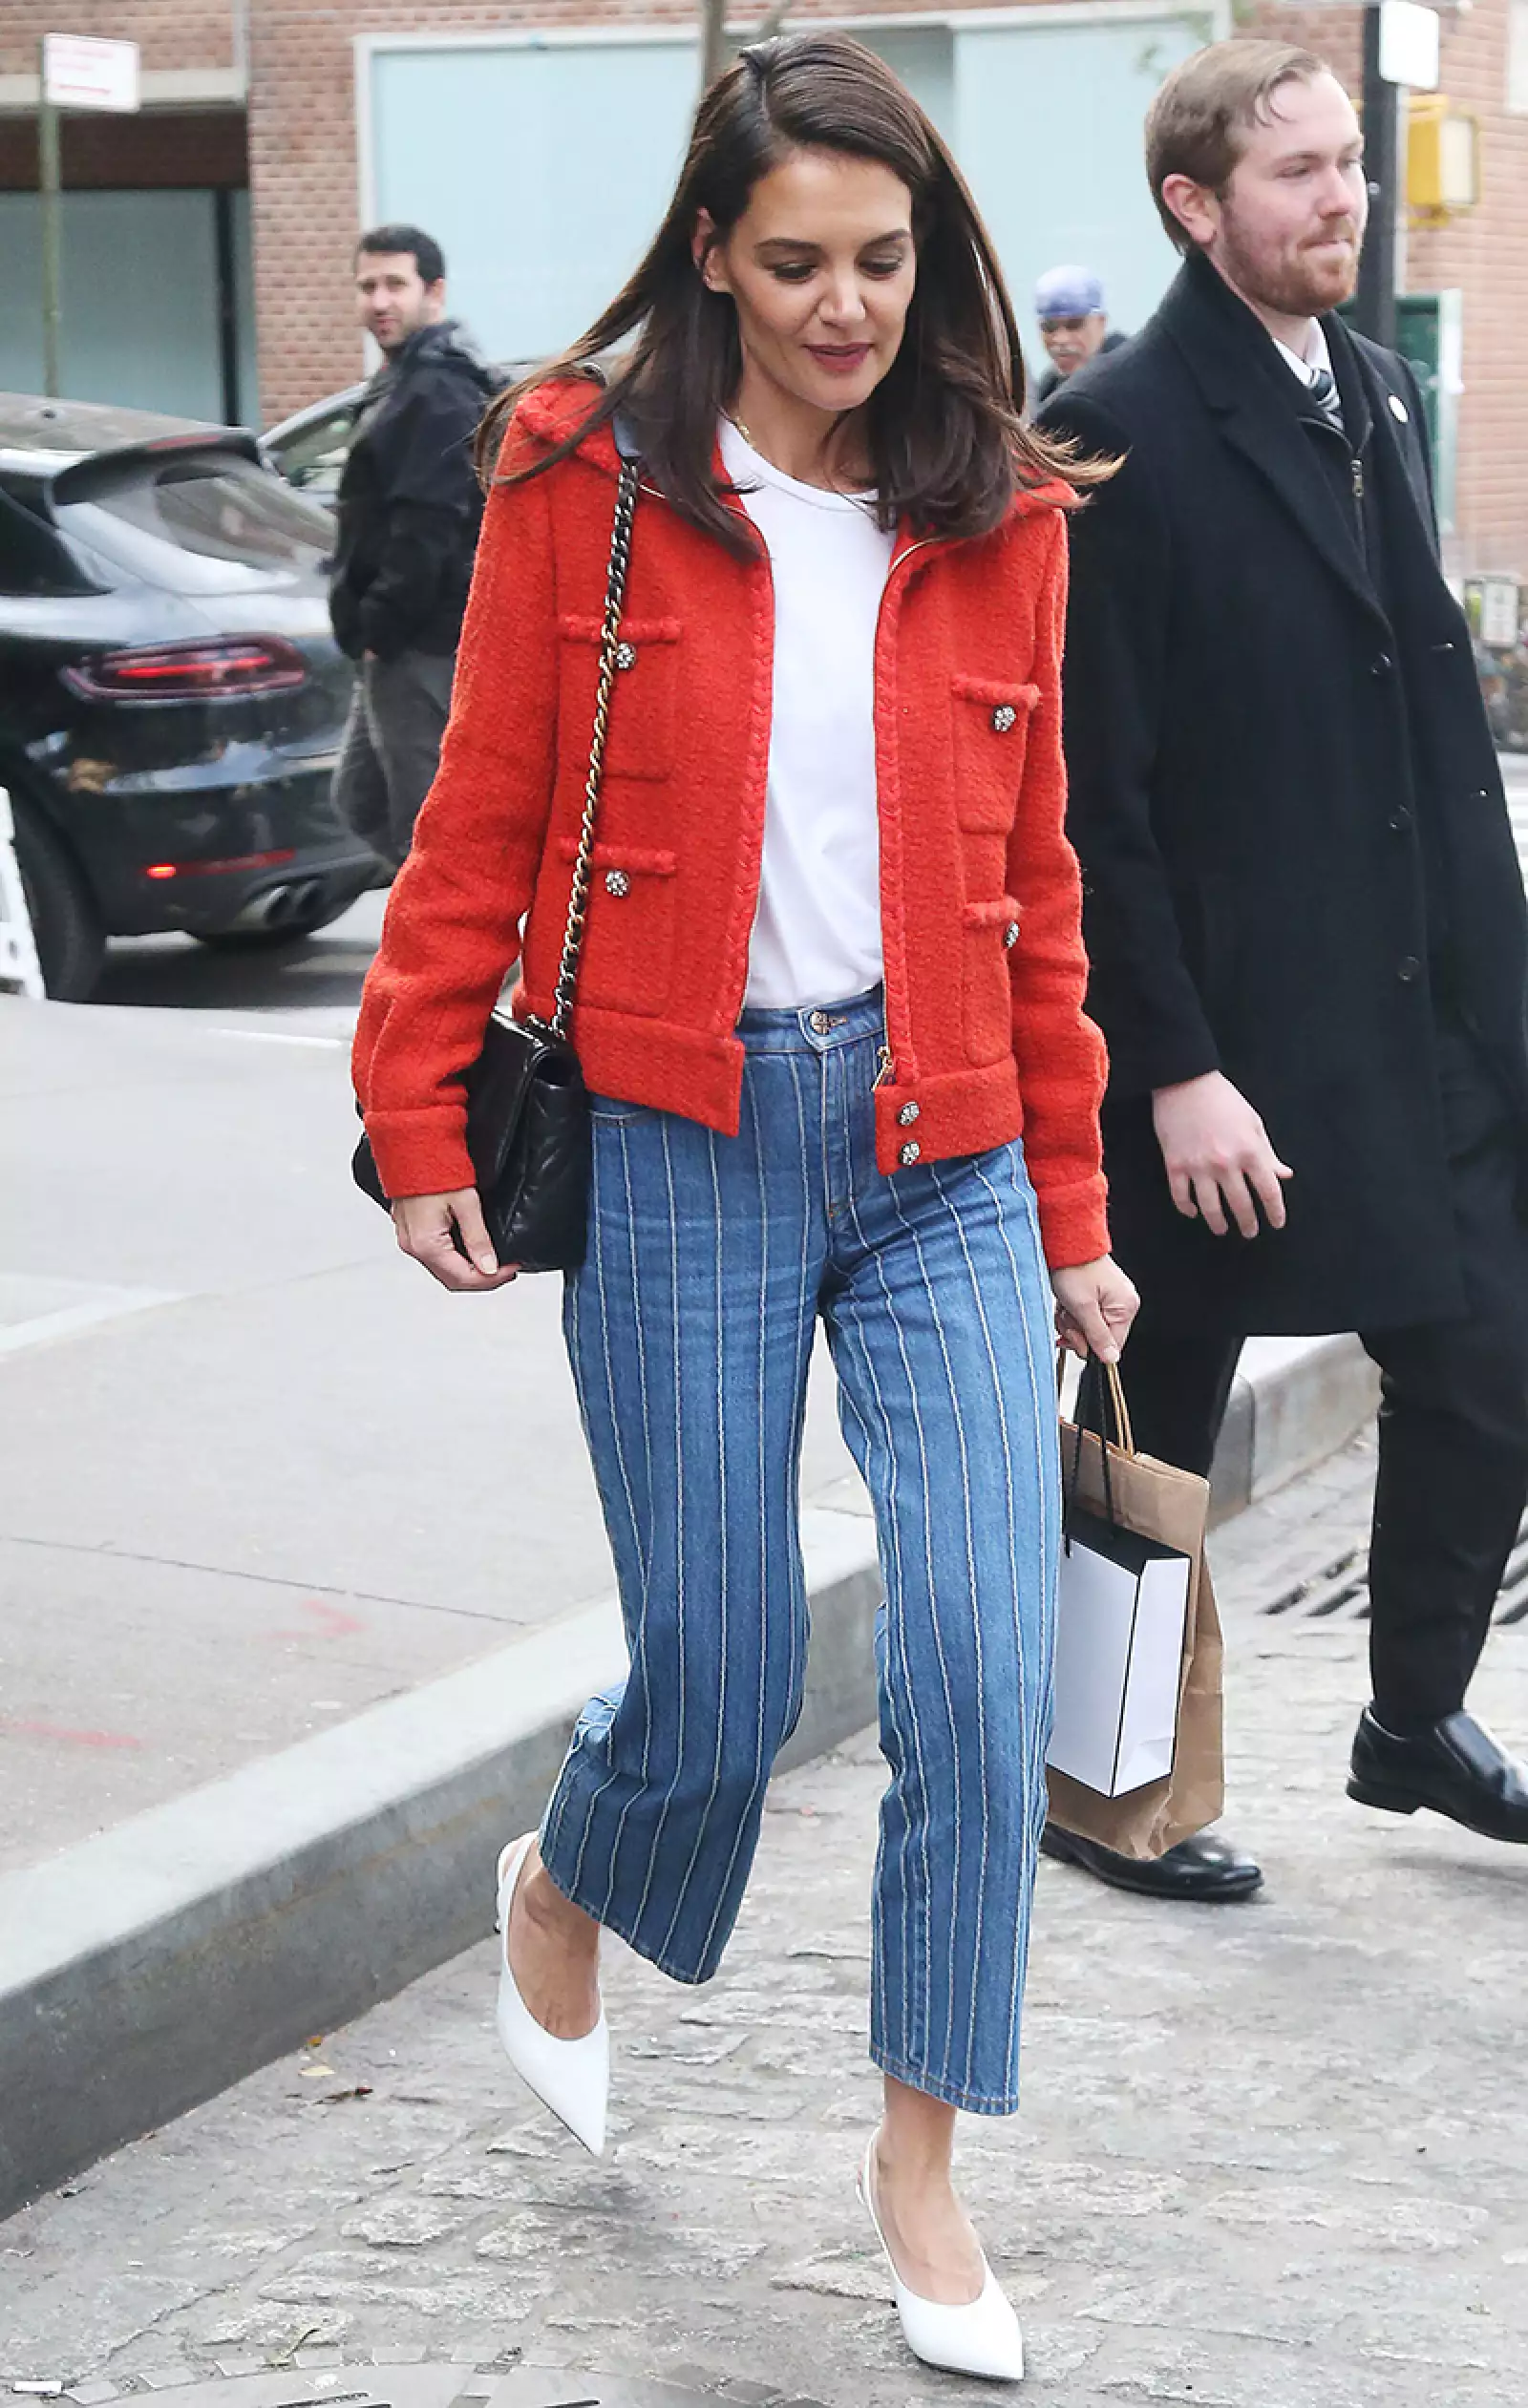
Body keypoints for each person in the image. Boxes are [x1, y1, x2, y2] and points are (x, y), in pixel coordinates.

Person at [353, 32, 1137, 2382]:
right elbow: (478, 809)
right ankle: (574, 1873)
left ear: (933, 260)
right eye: (790, 260)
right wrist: (412, 1116)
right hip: (679, 1141)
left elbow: (1037, 886)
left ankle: (917, 2156)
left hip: (944, 1156)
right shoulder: (576, 481)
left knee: (981, 1668)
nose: (840, 306)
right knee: (710, 1684)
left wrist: (1073, 1194)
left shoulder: (999, 511)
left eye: (881, 262)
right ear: (710, 253)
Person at [1039, 39, 1528, 1906]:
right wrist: (1169, 1066)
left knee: (1484, 1363)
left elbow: (1430, 748)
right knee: (1156, 1411)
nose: (1340, 202)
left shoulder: (1379, 394)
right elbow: (1092, 801)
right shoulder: (1112, 434)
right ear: (1191, 205)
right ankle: (1099, 1785)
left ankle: (1407, 1718)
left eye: (1346, 164)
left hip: (1412, 1026)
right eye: (1298, 176)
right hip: (1217, 1053)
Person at [329, 224, 498, 873]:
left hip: (421, 644)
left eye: (395, 284)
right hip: (396, 645)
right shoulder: (405, 381)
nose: (379, 301)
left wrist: (381, 626)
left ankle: (462, 966)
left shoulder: (437, 390)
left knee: (427, 836)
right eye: (367, 286)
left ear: (435, 292)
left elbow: (427, 526)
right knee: (361, 800)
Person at [1032, 264, 1127, 405]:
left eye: (1074, 325)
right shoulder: (1048, 388)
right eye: (1049, 327)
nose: (1061, 339)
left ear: (1101, 323)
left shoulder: (1128, 375)